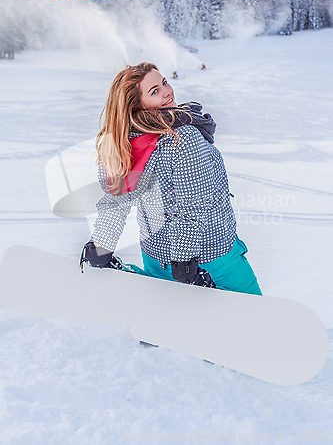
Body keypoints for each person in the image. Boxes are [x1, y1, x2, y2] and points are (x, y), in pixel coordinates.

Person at [80, 62, 262, 295]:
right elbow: (192, 207)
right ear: (136, 105)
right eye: (154, 91)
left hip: (157, 259)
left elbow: (115, 202)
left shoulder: (119, 144)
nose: (167, 91)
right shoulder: (181, 137)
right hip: (211, 258)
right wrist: (185, 262)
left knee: (173, 325)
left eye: (164, 82)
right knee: (255, 322)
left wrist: (101, 247)